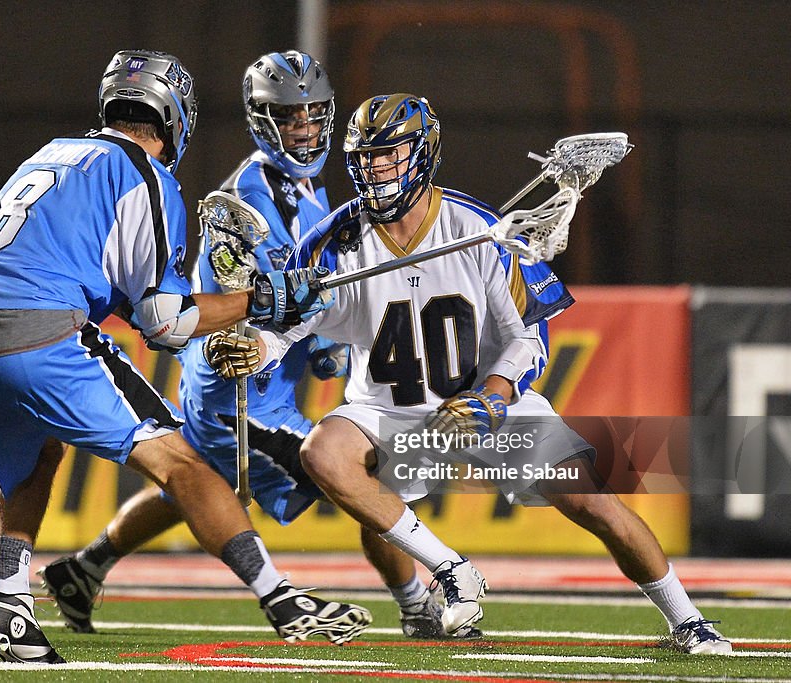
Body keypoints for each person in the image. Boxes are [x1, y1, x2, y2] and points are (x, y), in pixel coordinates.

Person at [206, 93, 733, 655]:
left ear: (423, 151)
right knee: (329, 458)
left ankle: (688, 619)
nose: (375, 167)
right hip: (388, 406)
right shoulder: (333, 242)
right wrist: (252, 349)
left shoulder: (479, 230)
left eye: (390, 153)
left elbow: (529, 336)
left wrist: (494, 397)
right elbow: (289, 327)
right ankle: (434, 589)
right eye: (365, 156)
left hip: (483, 400)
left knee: (592, 502)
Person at [0, 49, 372, 665]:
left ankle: (9, 602)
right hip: (38, 335)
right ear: (175, 113)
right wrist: (262, 298)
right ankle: (283, 599)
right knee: (183, 462)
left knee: (33, 457)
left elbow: (134, 304)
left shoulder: (50, 153)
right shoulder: (147, 177)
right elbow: (166, 322)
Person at [40, 51, 456, 641]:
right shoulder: (252, 196)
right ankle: (418, 605)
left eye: (314, 116)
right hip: (239, 390)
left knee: (195, 483)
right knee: (364, 474)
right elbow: (244, 301)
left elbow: (304, 290)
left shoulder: (306, 190)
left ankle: (85, 569)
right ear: (262, 121)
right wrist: (293, 333)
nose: (305, 130)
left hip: (253, 387)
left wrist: (318, 334)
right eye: (290, 118)